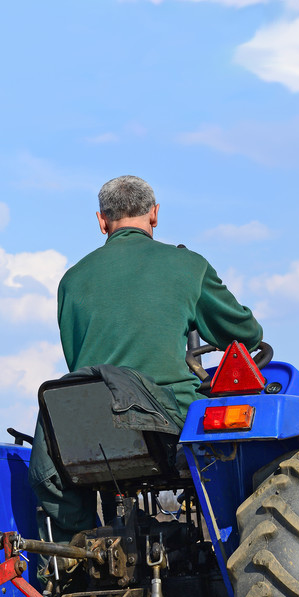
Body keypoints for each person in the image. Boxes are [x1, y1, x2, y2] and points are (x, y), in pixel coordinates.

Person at [30, 174, 263, 539]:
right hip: (167, 425)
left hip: (88, 430)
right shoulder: (188, 266)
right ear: (154, 215)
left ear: (102, 221)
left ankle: (83, 553)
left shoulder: (71, 281)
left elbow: (79, 361)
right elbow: (246, 334)